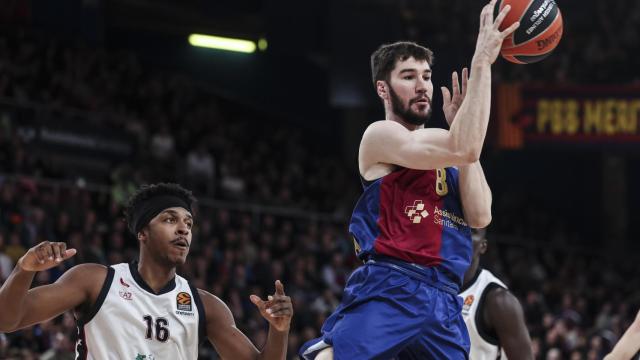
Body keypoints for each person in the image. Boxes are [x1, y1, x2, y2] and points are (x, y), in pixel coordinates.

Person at [299, 0, 520, 358]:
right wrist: (482, 63)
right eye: (408, 76)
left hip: (446, 301)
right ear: (383, 89)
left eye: (427, 76)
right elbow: (462, 145)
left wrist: (460, 125)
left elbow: (481, 215)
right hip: (393, 287)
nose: (422, 86)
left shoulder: (449, 156)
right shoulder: (380, 135)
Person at [0, 183, 293, 359]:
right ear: (143, 232)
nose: (183, 229)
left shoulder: (205, 305)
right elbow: (7, 320)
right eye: (170, 219)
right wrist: (24, 270)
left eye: (189, 223)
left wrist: (278, 330)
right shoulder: (96, 281)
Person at [459, 228, 533, 359]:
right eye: (459, 227)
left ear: (483, 246)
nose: (464, 236)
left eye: (472, 232)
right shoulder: (430, 283)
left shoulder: (499, 300)